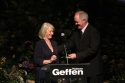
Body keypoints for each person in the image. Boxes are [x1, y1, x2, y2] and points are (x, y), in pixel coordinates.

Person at [59, 10, 103, 83]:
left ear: (84, 20)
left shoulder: (93, 31)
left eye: (77, 22)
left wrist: (77, 55)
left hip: (94, 70)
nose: (75, 24)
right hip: (82, 70)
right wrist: (53, 49)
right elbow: (69, 44)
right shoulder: (76, 32)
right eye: (75, 22)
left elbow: (93, 49)